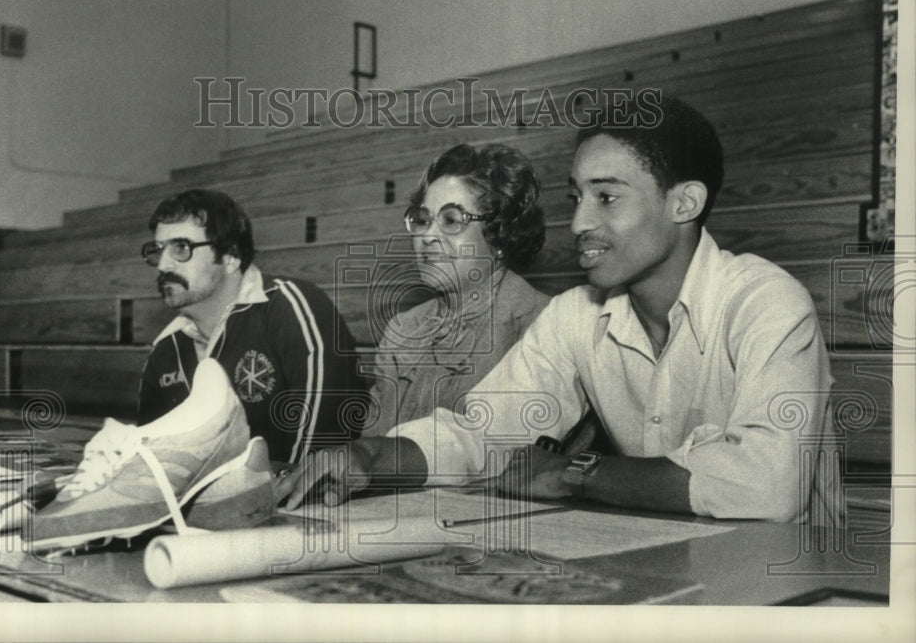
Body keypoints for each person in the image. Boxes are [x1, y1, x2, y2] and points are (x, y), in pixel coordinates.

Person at [284, 96, 841, 526]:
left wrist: (576, 473)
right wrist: (368, 457)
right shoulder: (577, 316)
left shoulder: (767, 302)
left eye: (607, 197)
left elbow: (769, 487)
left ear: (684, 202)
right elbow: (482, 434)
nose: (578, 224)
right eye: (577, 197)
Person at [137, 188, 367, 464]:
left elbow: (319, 455)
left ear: (231, 257)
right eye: (157, 250)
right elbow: (151, 467)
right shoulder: (165, 349)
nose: (162, 264)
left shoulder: (290, 306)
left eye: (181, 248)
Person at [362, 143, 550, 436]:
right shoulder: (402, 329)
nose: (428, 236)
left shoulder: (543, 326)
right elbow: (371, 447)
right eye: (423, 220)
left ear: (500, 234)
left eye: (451, 220)